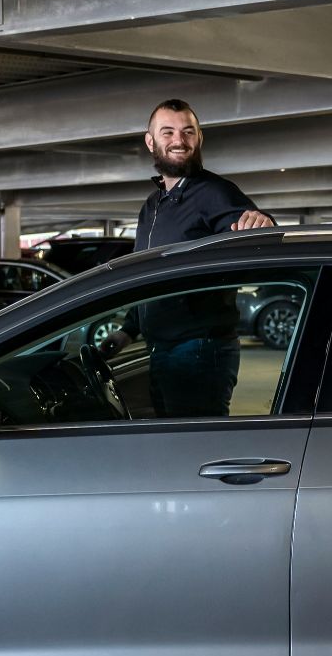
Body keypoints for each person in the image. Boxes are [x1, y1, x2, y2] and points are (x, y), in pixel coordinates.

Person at [101, 99, 275, 418]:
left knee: (195, 449)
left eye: (188, 132)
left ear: (199, 138)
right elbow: (147, 278)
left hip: (199, 349)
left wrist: (263, 222)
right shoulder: (153, 206)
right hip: (162, 348)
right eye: (167, 132)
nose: (179, 141)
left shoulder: (213, 192)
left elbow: (259, 232)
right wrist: (128, 330)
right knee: (176, 444)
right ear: (150, 141)